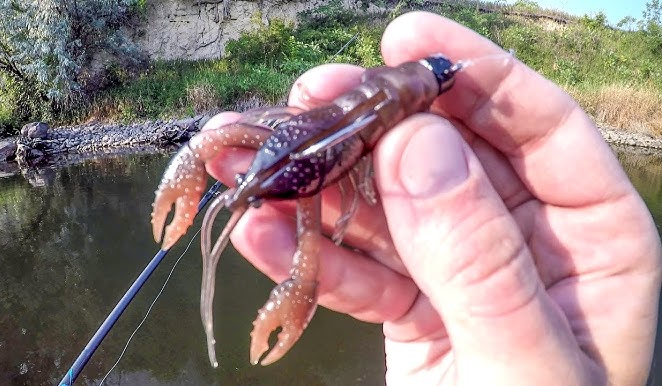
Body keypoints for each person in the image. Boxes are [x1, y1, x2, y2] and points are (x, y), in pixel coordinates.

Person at [203, 11, 661, 385]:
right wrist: (256, 185)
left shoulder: (307, 183)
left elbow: (232, 140)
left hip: (401, 97)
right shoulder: (298, 172)